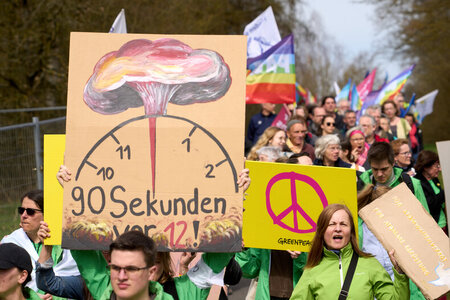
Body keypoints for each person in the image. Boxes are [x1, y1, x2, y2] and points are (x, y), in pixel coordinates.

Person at [289, 204, 409, 299]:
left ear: (351, 232)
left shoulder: (369, 264)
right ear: (322, 231)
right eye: (331, 224)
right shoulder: (312, 270)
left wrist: (400, 274)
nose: (338, 229)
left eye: (343, 224)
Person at [1, 190, 81, 299]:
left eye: (30, 212)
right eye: (21, 210)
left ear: (47, 214)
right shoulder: (10, 242)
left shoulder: (69, 241)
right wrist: (34, 296)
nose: (24, 215)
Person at [414, 150, 447, 230]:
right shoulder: (418, 183)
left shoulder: (434, 179)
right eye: (436, 166)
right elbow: (429, 204)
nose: (439, 169)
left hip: (443, 223)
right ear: (426, 167)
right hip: (434, 227)